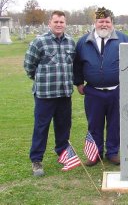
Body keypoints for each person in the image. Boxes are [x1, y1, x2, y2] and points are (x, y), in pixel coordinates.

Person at [73, 7, 128, 166]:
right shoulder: (83, 42)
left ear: (112, 23)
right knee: (94, 124)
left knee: (115, 124)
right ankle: (95, 153)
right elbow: (77, 64)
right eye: (101, 21)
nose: (104, 24)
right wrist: (79, 83)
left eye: (107, 21)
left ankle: (112, 152)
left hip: (117, 91)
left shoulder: (124, 40)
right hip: (93, 92)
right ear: (95, 23)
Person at [24, 11, 75, 176]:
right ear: (49, 23)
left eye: (61, 22)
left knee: (63, 126)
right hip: (45, 95)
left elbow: (73, 65)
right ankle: (37, 160)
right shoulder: (39, 42)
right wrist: (38, 79)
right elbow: (29, 65)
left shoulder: (70, 43)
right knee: (41, 127)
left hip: (64, 94)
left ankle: (62, 152)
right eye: (56, 22)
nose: (59, 24)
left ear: (65, 23)